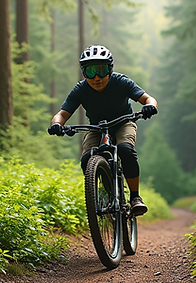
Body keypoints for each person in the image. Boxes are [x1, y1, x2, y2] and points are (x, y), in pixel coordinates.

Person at [48, 44, 159, 216]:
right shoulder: (80, 89)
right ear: (84, 73)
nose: (96, 77)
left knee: (125, 150)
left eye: (101, 69)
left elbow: (147, 98)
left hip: (124, 122)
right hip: (96, 128)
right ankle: (107, 195)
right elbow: (62, 114)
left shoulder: (121, 82)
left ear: (110, 69)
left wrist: (150, 106)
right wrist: (57, 124)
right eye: (90, 72)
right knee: (87, 160)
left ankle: (135, 197)